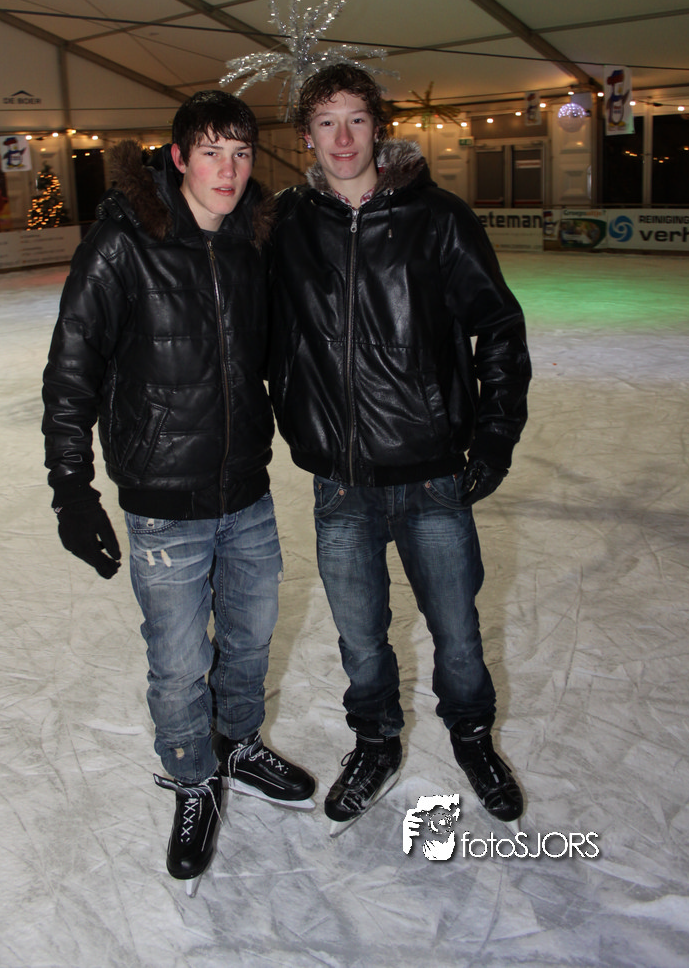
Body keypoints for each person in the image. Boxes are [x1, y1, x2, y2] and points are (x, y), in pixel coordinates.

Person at [42, 91, 315, 892]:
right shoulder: (122, 243)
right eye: (212, 153)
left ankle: (239, 743)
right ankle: (194, 776)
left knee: (251, 638)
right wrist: (71, 489)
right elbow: (72, 368)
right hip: (164, 502)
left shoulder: (252, 241)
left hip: (247, 491)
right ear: (179, 158)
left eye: (241, 153)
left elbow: (282, 350)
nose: (229, 170)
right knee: (177, 663)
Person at [269, 64, 531, 833]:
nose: (342, 137)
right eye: (326, 122)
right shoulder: (287, 225)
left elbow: (499, 328)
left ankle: (473, 740)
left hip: (431, 475)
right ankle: (376, 744)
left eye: (356, 119)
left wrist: (494, 435)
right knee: (361, 640)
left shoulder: (438, 218)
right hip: (340, 480)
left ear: (378, 127)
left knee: (458, 634)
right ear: (307, 136)